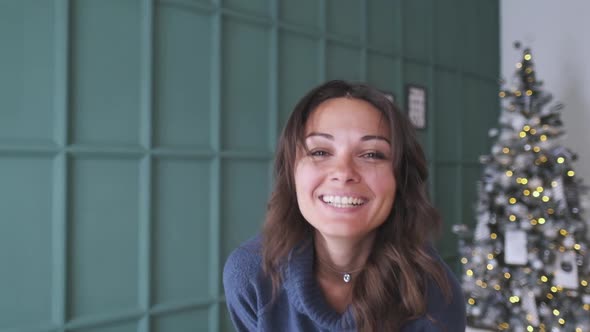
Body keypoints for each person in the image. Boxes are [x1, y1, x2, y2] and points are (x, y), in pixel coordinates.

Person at [223, 80, 466, 331]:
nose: (343, 172)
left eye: (371, 154)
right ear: (291, 173)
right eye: (319, 152)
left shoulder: (436, 296)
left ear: (400, 180)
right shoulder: (251, 274)